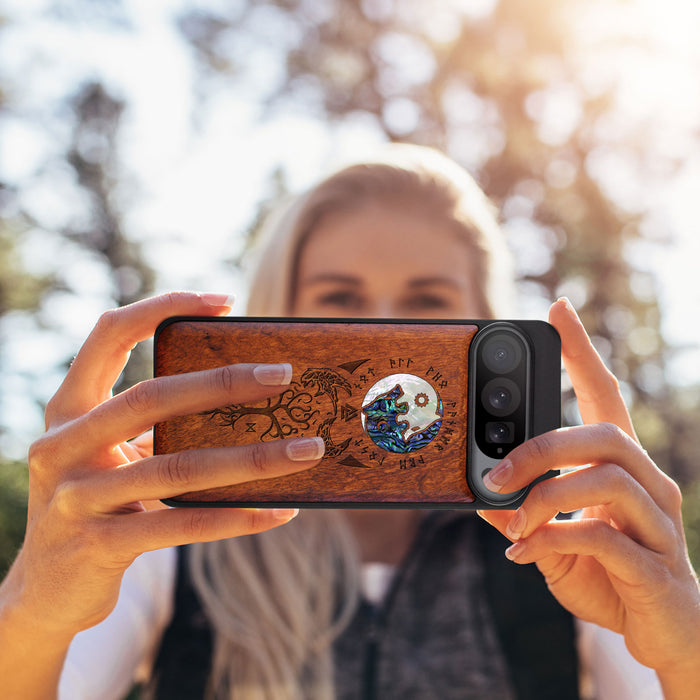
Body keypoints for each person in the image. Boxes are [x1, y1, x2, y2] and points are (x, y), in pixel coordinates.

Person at [0, 145, 698, 700]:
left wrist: (685, 648)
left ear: (487, 323)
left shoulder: (566, 542)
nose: (385, 333)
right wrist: (34, 607)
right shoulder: (171, 534)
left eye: (427, 302)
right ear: (279, 314)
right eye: (340, 299)